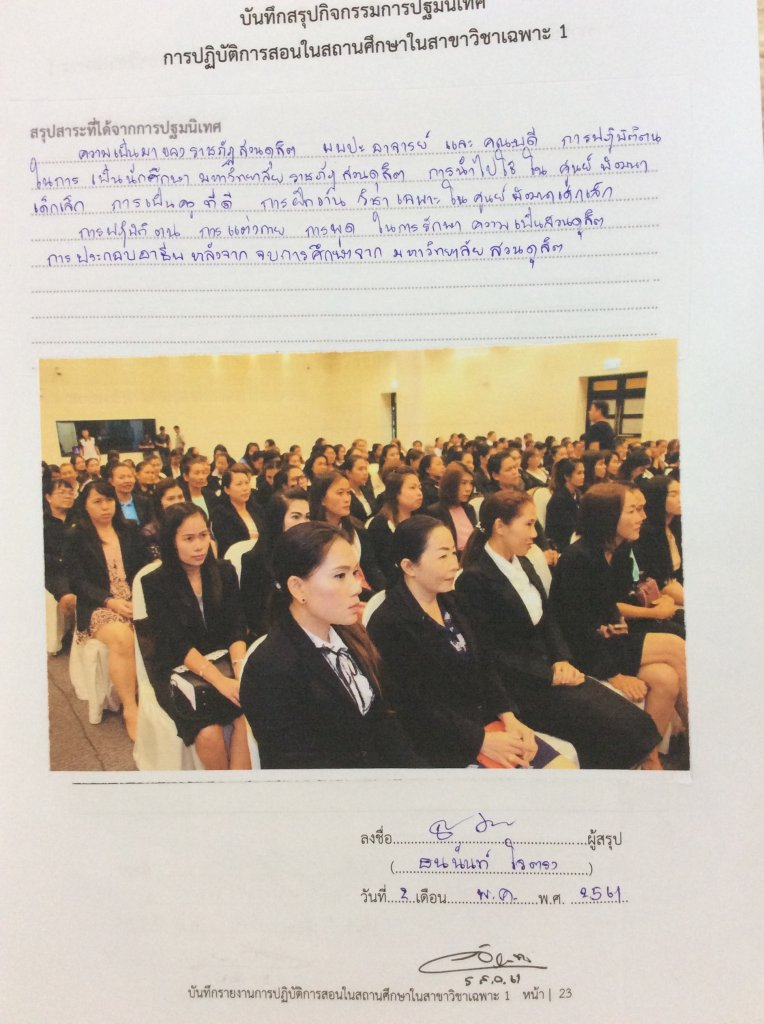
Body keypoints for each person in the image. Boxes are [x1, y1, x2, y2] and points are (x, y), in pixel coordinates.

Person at [455, 491, 660, 769]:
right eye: (528, 524)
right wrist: (550, 674)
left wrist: (561, 658)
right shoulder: (474, 579)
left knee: (636, 723)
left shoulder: (523, 562)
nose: (535, 533)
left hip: (549, 670)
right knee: (623, 729)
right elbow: (491, 653)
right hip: (521, 688)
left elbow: (548, 617)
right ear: (500, 526)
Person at [367, 517, 575, 769]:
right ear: (409, 566)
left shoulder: (454, 601)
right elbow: (415, 708)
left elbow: (486, 665)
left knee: (565, 771)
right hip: (444, 742)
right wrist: (481, 741)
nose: (454, 565)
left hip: (486, 723)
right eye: (442, 556)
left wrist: (509, 717)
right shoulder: (389, 624)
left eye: (453, 554)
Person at [239, 521, 421, 769]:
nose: (356, 587)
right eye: (339, 576)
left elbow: (386, 724)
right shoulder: (269, 668)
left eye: (354, 573)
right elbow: (298, 767)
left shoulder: (351, 635)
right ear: (298, 588)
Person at [550, 483, 688, 768]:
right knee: (676, 646)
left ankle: (648, 761)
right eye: (633, 511)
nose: (642, 517)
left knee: (665, 678)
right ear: (608, 516)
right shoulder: (579, 558)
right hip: (582, 652)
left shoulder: (615, 550)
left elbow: (610, 607)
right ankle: (706, 740)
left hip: (607, 640)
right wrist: (612, 674)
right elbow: (577, 629)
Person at [139, 504, 251, 769]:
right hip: (177, 666)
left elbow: (236, 626)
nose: (199, 546)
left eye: (203, 535)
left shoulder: (224, 570)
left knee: (247, 716)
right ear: (171, 541)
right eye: (188, 539)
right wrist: (221, 682)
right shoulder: (154, 583)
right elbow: (176, 644)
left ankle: (239, 787)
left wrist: (239, 672)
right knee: (208, 733)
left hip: (224, 658)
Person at [63, 479, 150, 740]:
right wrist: (110, 601)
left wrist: (139, 598)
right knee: (123, 637)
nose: (105, 507)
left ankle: (153, 695)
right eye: (97, 502)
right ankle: (130, 708)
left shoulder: (129, 529)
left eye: (109, 500)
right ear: (85, 505)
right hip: (98, 605)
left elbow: (144, 568)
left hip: (133, 599)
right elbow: (77, 582)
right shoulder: (76, 535)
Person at [240, 487, 310, 639]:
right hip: (276, 636)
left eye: (307, 517)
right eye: (296, 517)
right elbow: (255, 618)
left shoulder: (313, 554)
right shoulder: (254, 561)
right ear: (277, 520)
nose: (304, 523)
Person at [309, 471, 386, 594]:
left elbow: (371, 569)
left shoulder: (357, 529)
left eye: (348, 493)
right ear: (322, 499)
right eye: (340, 493)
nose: (347, 499)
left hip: (363, 590)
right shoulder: (311, 536)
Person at [367, 468, 424, 586]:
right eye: (412, 488)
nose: (419, 493)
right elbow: (384, 568)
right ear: (396, 493)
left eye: (419, 487)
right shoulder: (380, 525)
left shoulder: (421, 519)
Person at [634, 476, 684, 605]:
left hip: (677, 583)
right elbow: (651, 577)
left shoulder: (676, 526)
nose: (681, 498)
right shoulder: (644, 533)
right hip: (662, 590)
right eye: (673, 495)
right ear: (658, 497)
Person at [43, 477, 77, 635]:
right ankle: (72, 635)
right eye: (61, 492)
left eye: (70, 492)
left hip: (79, 569)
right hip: (54, 572)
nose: (67, 496)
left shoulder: (79, 519)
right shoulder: (42, 523)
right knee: (69, 599)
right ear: (48, 497)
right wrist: (60, 560)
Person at [424, 461, 477, 559]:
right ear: (451, 484)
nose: (468, 488)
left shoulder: (469, 509)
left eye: (471, 483)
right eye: (463, 483)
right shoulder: (434, 512)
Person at [139, 476, 187, 559]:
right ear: (159, 502)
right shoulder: (150, 532)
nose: (177, 502)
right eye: (171, 499)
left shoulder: (190, 523)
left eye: (180, 497)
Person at [545, 458, 584, 552]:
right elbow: (565, 530)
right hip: (562, 545)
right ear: (567, 476)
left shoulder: (578, 494)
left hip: (575, 540)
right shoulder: (559, 500)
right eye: (579, 473)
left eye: (583, 472)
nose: (583, 476)